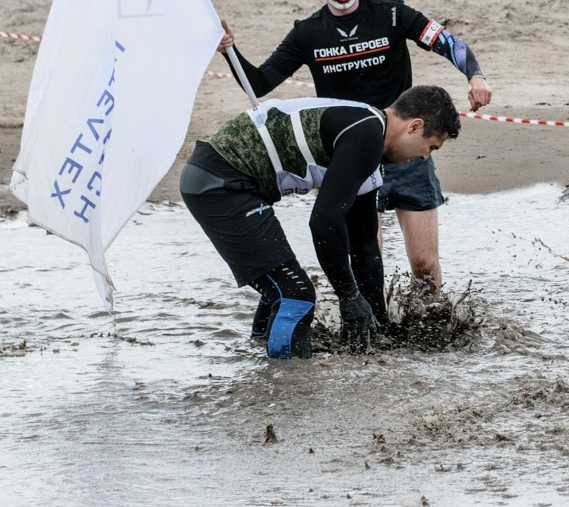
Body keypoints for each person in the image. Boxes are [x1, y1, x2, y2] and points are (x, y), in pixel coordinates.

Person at [218, 0, 492, 291]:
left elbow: (446, 41)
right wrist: (229, 49)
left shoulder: (391, 14)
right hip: (352, 156)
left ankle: (432, 321)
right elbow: (259, 82)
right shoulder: (307, 33)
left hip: (407, 151)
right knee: (367, 256)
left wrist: (475, 76)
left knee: (425, 265)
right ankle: (373, 320)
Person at [180, 85, 462, 359]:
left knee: (280, 285)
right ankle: (286, 383)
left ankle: (259, 357)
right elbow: (324, 221)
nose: (424, 157)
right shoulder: (366, 133)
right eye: (431, 147)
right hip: (220, 182)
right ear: (414, 126)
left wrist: (378, 324)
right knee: (296, 294)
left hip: (227, 181)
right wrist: (349, 296)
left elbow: (364, 244)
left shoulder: (370, 140)